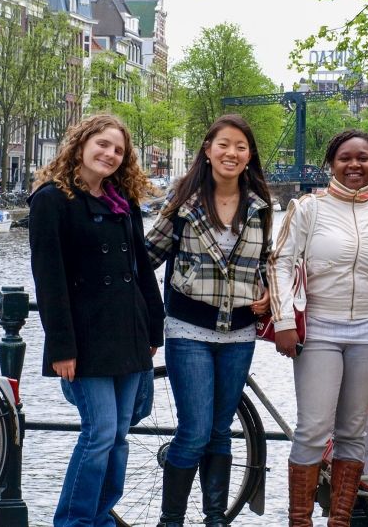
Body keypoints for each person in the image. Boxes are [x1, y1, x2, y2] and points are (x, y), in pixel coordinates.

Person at [267, 129, 368, 527]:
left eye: (363, 158)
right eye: (345, 158)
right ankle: (300, 521)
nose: (354, 165)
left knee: (353, 430)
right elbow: (280, 263)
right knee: (314, 429)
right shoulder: (307, 209)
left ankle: (340, 521)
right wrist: (284, 321)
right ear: (330, 164)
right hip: (319, 330)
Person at [28, 114, 165, 527]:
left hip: (128, 333)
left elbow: (141, 268)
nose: (109, 154)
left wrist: (153, 328)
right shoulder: (51, 200)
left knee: (119, 434)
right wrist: (62, 347)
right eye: (103, 144)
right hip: (86, 339)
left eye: (119, 150)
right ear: (82, 143)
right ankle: (73, 522)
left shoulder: (121, 200)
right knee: (100, 431)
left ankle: (102, 517)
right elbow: (49, 279)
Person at [144, 114, 273, 527]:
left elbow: (267, 262)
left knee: (220, 430)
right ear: (208, 150)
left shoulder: (260, 206)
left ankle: (216, 517)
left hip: (239, 332)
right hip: (189, 330)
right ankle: (171, 520)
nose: (231, 153)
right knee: (196, 430)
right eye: (224, 145)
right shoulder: (184, 203)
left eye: (240, 146)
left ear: (249, 155)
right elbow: (148, 255)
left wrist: (271, 289)